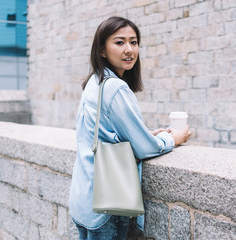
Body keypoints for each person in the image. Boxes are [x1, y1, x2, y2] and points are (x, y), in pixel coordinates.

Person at [68, 16, 192, 240]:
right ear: (102, 50)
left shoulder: (94, 82)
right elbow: (145, 149)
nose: (129, 50)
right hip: (107, 205)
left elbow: (104, 134)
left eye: (133, 42)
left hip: (83, 200)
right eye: (119, 42)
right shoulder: (115, 88)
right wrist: (174, 139)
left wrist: (146, 134)